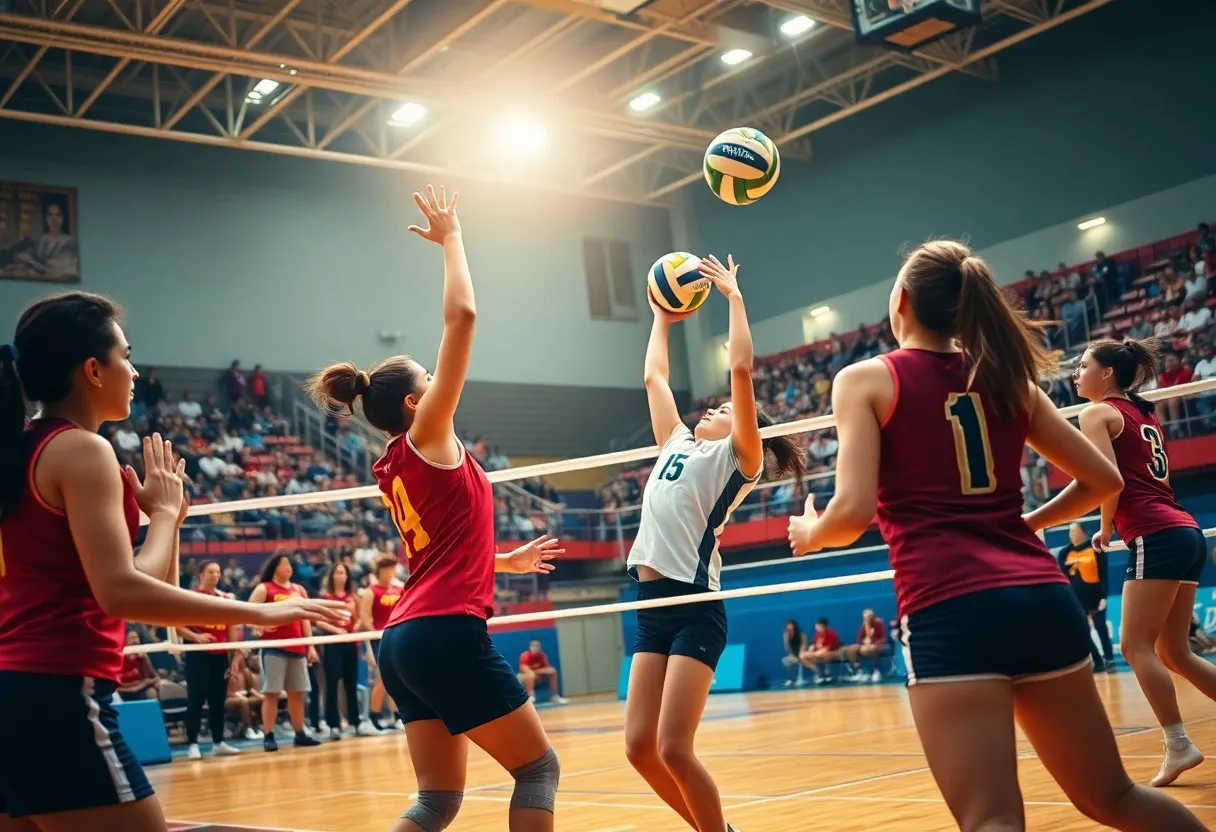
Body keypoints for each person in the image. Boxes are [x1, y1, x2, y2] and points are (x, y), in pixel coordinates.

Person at [787, 242, 1204, 832]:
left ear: (900, 302)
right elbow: (1105, 480)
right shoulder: (1011, 380)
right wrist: (1027, 525)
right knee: (1114, 800)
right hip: (1041, 595)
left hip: (950, 606)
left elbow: (852, 514)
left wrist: (811, 529)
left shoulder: (865, 379)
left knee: (993, 819)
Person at [0, 292, 348, 831]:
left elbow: (153, 597)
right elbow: (121, 592)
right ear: (93, 370)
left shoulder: (21, 448)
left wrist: (171, 521)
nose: (135, 371)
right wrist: (257, 614)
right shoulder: (81, 451)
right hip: (57, 691)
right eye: (126, 356)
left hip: (19, 690)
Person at [305, 185, 565, 832]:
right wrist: (452, 238)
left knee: (436, 801)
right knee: (538, 770)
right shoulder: (428, 437)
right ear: (417, 403)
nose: (439, 380)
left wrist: (503, 560)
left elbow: (440, 550)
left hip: (403, 639)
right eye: (430, 378)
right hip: (444, 632)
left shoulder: (393, 460)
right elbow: (464, 318)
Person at [624, 255, 805, 832]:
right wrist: (662, 317)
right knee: (638, 749)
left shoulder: (740, 459)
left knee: (675, 748)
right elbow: (654, 377)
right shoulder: (675, 441)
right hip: (651, 609)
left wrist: (733, 298)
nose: (715, 408)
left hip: (696, 609)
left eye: (725, 410)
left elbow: (743, 373)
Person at [1058, 338, 1216, 786]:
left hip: (1156, 533)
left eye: (1083, 365)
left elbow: (1105, 480)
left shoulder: (1096, 413)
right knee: (1174, 651)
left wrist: (1106, 527)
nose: (1076, 373)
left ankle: (1179, 744)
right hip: (1186, 530)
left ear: (1107, 373)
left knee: (1135, 647)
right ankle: (1179, 743)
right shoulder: (1142, 411)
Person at [248, 551, 322, 753]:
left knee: (297, 694)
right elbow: (248, 614)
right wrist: (258, 628)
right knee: (271, 694)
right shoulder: (264, 589)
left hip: (297, 648)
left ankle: (300, 733)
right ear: (275, 567)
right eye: (284, 564)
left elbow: (305, 618)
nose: (288, 568)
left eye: (290, 564)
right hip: (273, 648)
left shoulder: (298, 589)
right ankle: (269, 735)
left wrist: (311, 646)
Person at [176, 560, 243, 760]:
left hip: (220, 655)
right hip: (198, 655)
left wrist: (235, 656)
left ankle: (218, 742)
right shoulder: (192, 598)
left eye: (218, 572)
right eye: (211, 572)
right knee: (196, 700)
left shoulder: (224, 599)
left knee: (218, 701)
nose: (216, 575)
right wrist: (196, 638)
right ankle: (193, 744)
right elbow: (177, 626)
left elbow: (232, 629)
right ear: (201, 575)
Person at [1055, 522, 1115, 674]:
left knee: (1101, 628)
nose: (1070, 535)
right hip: (1076, 599)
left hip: (1095, 597)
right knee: (1083, 632)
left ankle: (1109, 660)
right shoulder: (1064, 553)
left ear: (1081, 532)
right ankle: (1098, 662)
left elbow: (1104, 574)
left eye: (1073, 531)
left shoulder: (1095, 549)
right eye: (1069, 532)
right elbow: (1062, 575)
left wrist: (1103, 597)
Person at [318, 561, 362, 739]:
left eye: (343, 573)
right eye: (337, 573)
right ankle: (333, 725)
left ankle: (355, 722)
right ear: (332, 576)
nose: (340, 576)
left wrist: (354, 629)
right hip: (333, 643)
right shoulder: (326, 598)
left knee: (351, 684)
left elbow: (359, 619)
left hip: (350, 644)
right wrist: (337, 631)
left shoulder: (353, 597)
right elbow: (319, 621)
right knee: (332, 684)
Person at [360, 555, 403, 732]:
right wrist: (376, 635)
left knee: (396, 680)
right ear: (381, 571)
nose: (391, 572)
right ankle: (373, 716)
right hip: (381, 640)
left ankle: (396, 716)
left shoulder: (398, 589)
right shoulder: (371, 591)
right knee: (381, 680)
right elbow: (364, 617)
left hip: (398, 639)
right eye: (388, 569)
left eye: (393, 569)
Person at [517, 640, 568, 705]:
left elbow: (547, 668)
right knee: (530, 675)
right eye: (534, 646)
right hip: (523, 677)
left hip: (538, 675)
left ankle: (554, 696)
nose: (536, 648)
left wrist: (539, 672)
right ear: (530, 647)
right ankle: (531, 697)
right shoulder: (525, 656)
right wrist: (537, 672)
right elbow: (525, 669)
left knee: (553, 672)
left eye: (537, 646)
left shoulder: (541, 655)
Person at [781, 620, 808, 687]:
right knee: (785, 660)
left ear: (795, 626)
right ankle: (791, 679)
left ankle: (801, 678)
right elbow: (787, 649)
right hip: (794, 656)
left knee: (801, 658)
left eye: (791, 626)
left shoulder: (801, 634)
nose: (790, 628)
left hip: (803, 655)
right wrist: (786, 640)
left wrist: (800, 655)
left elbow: (805, 646)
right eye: (788, 627)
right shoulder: (786, 635)